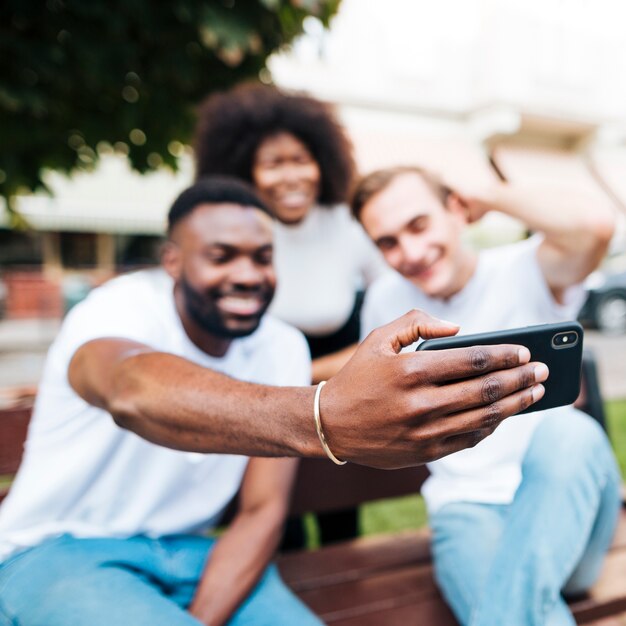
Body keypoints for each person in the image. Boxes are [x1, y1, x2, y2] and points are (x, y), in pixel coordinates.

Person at [0, 176, 544, 626]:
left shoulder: (280, 345)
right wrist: (323, 417)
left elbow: (261, 512)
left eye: (262, 257)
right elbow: (131, 390)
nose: (248, 275)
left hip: (197, 556)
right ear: (172, 261)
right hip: (53, 551)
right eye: (221, 256)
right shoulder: (116, 309)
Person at [352, 165, 621, 626]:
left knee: (571, 430)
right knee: (515, 611)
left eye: (419, 224)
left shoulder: (525, 268)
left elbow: (594, 226)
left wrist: (487, 193)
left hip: (566, 508)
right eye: (388, 242)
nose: (410, 252)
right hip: (468, 510)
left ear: (457, 210)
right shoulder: (384, 300)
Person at [194, 82, 387, 544]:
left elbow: (393, 305)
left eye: (300, 159)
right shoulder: (238, 233)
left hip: (341, 394)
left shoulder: (348, 223)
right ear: (245, 170)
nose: (290, 176)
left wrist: (321, 372)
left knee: (341, 524)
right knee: (281, 531)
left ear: (323, 161)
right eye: (273, 164)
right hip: (262, 402)